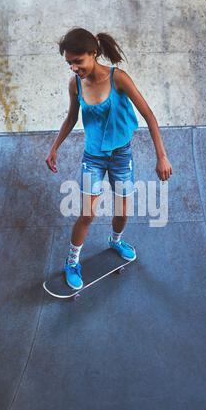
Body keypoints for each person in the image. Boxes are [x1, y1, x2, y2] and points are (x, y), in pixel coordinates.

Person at [46, 27, 172, 290]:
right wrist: (55, 146)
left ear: (93, 54)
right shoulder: (75, 84)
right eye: (69, 62)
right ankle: (72, 261)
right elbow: (72, 117)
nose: (73, 67)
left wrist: (162, 156)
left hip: (121, 156)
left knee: (122, 212)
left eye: (77, 61)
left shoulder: (118, 79)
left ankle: (115, 240)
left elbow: (149, 115)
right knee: (87, 214)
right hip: (92, 158)